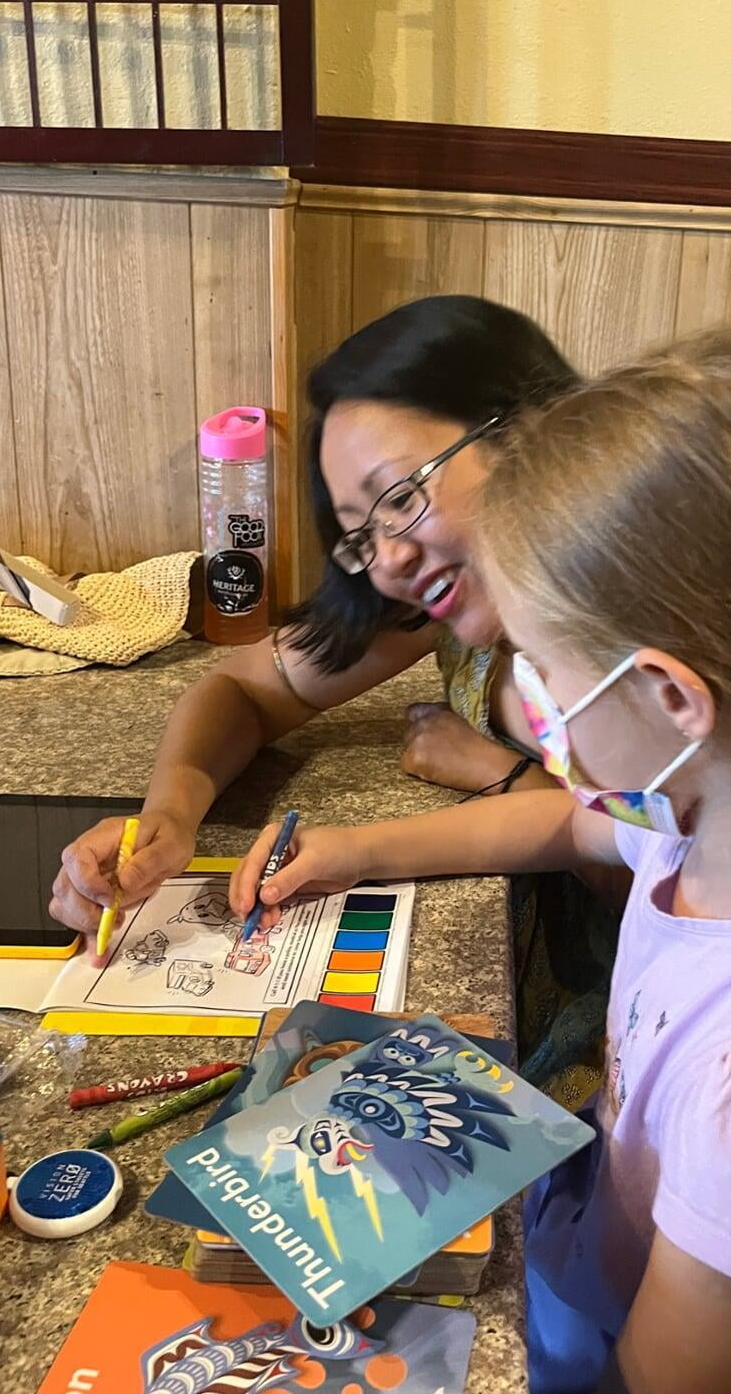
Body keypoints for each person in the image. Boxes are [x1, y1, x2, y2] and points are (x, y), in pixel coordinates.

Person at [230, 330, 731, 1394]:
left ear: (670, 697)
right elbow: (565, 826)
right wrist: (356, 850)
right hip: (599, 1247)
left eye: (539, 663)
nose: (527, 702)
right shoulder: (712, 805)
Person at [50, 294, 620, 1107]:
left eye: (400, 494)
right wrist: (172, 816)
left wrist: (503, 778)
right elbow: (244, 686)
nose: (387, 558)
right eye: (360, 531)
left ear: (526, 431)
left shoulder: (633, 620)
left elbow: (648, 853)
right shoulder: (445, 592)